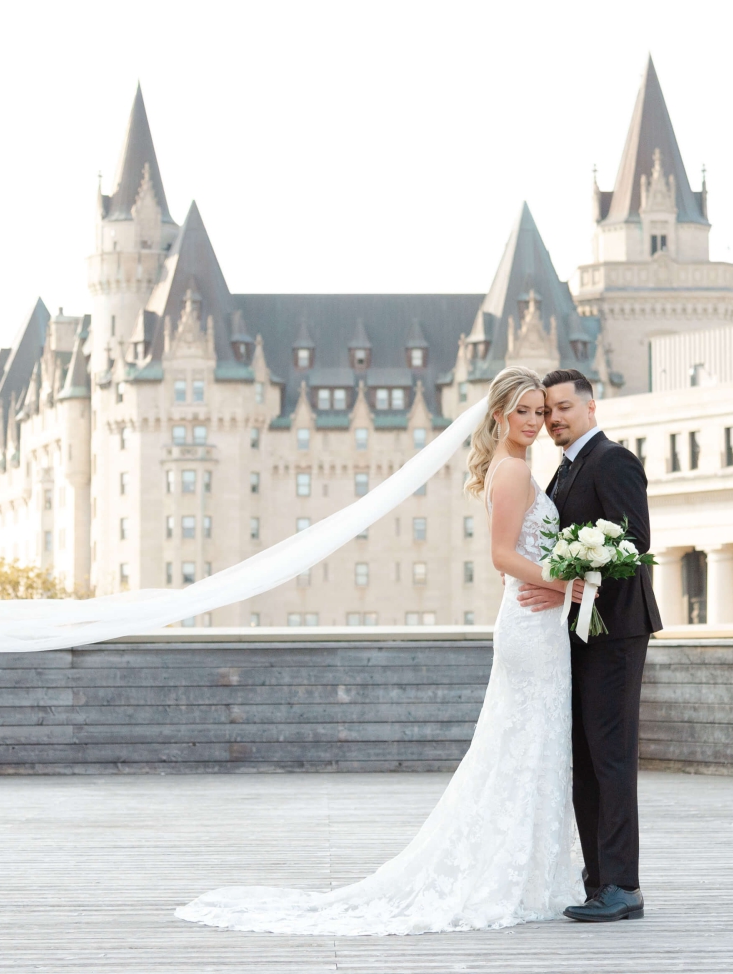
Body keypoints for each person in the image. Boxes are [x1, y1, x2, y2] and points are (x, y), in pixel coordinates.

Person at [175, 366, 583, 935]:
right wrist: (570, 583)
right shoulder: (512, 471)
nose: (536, 423)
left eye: (541, 413)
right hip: (529, 624)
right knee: (527, 744)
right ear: (499, 417)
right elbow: (500, 556)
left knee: (527, 747)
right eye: (525, 413)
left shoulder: (513, 468)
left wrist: (553, 581)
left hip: (532, 621)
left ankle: (530, 872)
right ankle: (515, 875)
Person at [516, 368, 663, 922]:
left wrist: (574, 573)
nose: (552, 418)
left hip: (617, 631)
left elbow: (633, 541)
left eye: (561, 409)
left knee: (612, 757)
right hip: (576, 631)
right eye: (546, 411)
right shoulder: (563, 471)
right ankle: (599, 880)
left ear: (591, 406)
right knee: (585, 759)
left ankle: (624, 886)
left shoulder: (613, 460)